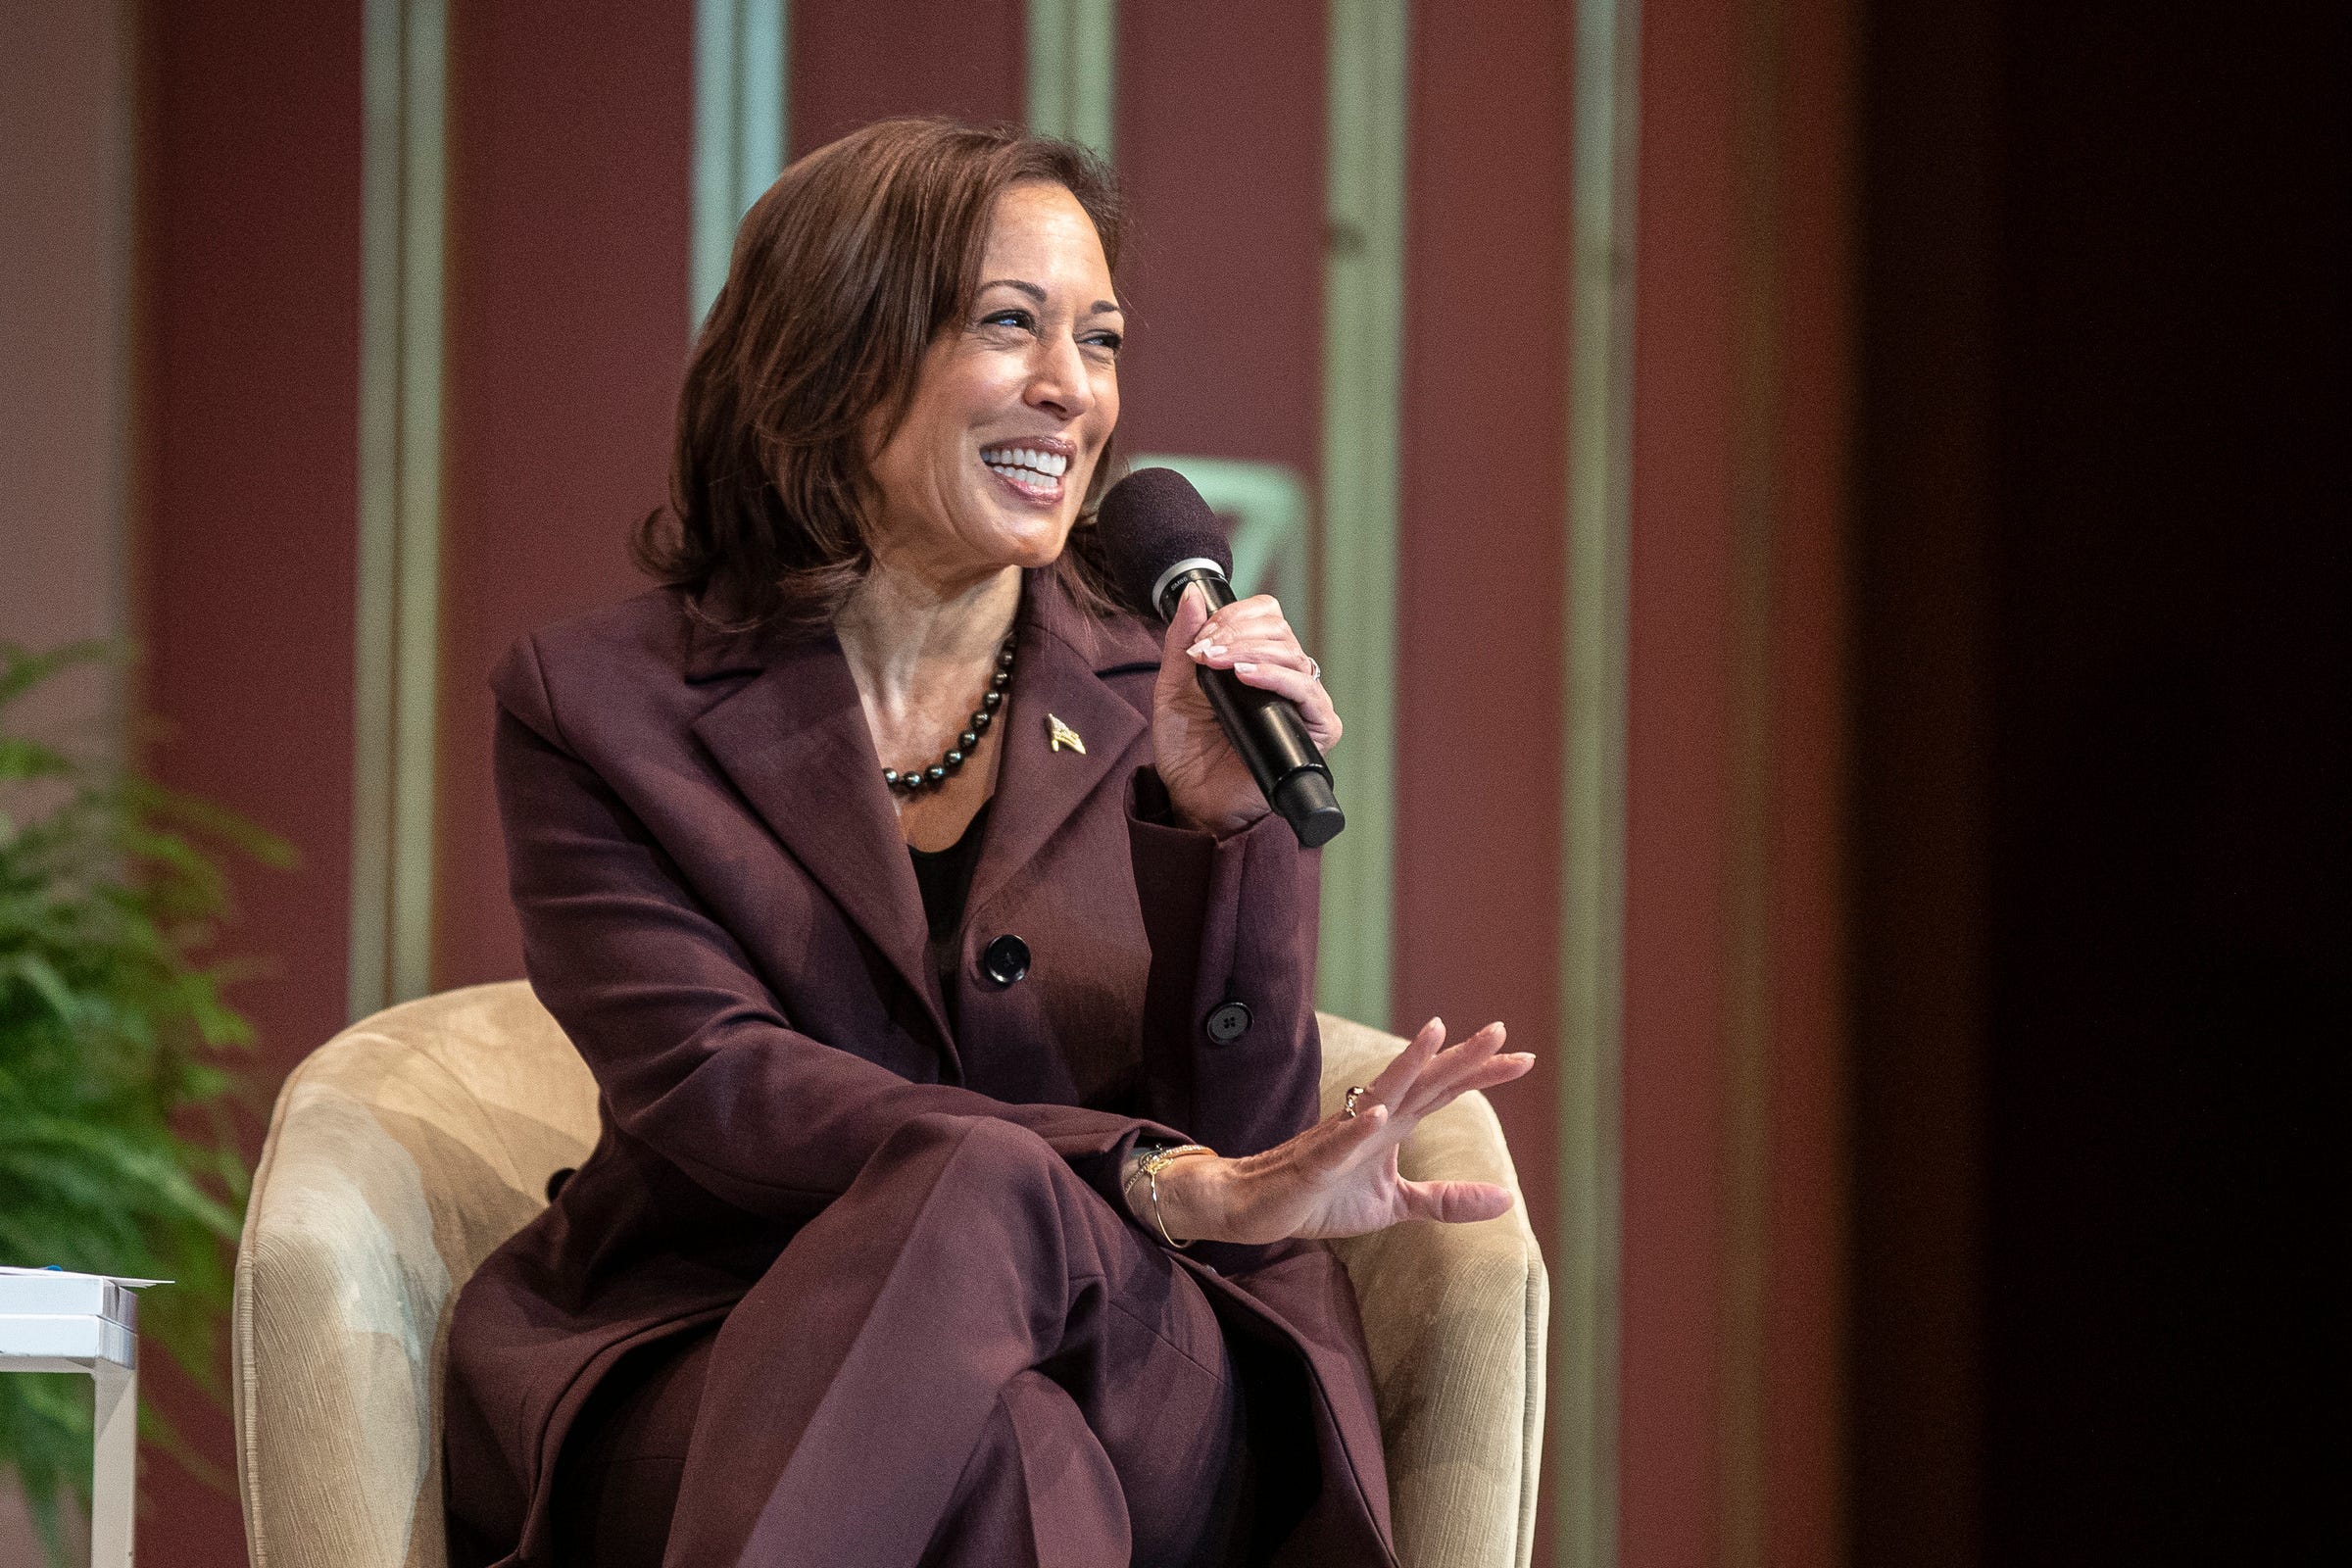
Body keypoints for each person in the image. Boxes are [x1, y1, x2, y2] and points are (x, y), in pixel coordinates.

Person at [440, 117, 1534, 1568]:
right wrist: (1145, 1174)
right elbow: (719, 1087)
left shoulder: (1160, 695)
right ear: (834, 356)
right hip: (732, 1349)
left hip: (1137, 1356)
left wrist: (1222, 826)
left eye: (1101, 339)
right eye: (1009, 324)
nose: (1072, 389)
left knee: (990, 1213)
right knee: (1014, 1460)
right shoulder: (602, 707)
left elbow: (1250, 1143)